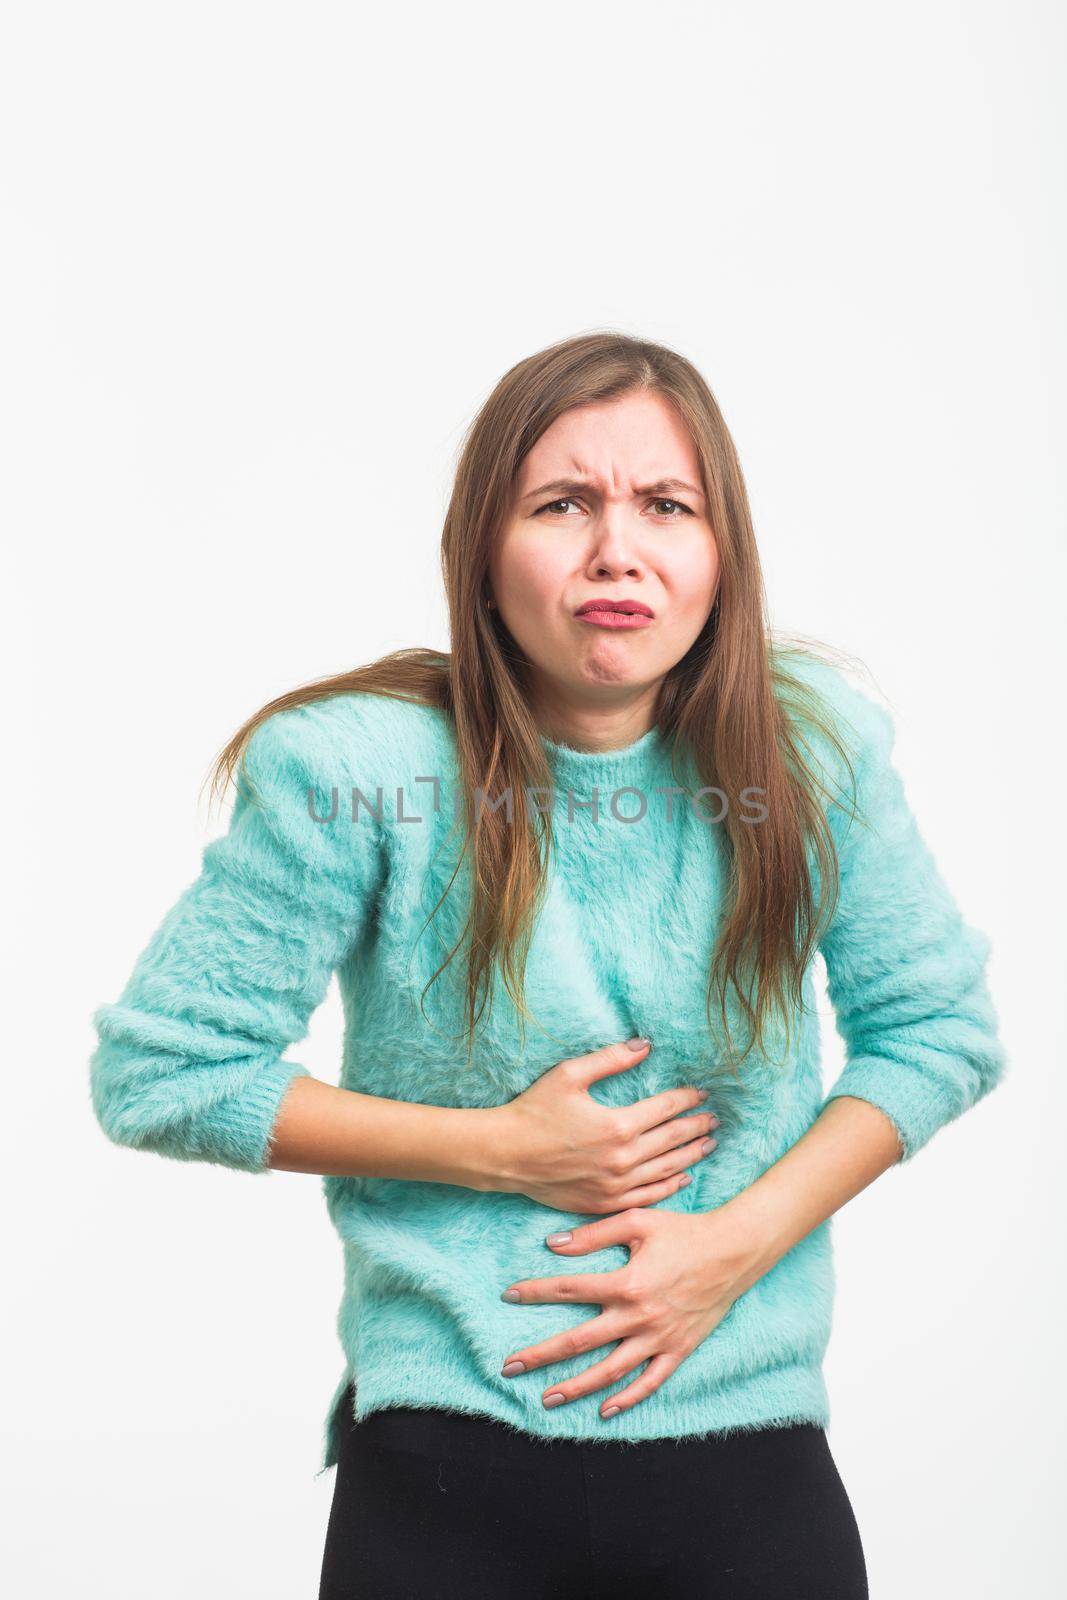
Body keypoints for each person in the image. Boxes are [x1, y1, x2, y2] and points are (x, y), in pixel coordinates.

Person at [89, 331, 1006, 1599]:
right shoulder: (359, 769)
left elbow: (937, 1031)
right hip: (444, 1463)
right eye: (561, 503)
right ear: (483, 545)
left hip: (746, 1458)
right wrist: (501, 1150)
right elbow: (163, 1073)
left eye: (665, 506)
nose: (615, 550)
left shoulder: (809, 754)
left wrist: (728, 1250)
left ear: (719, 551)